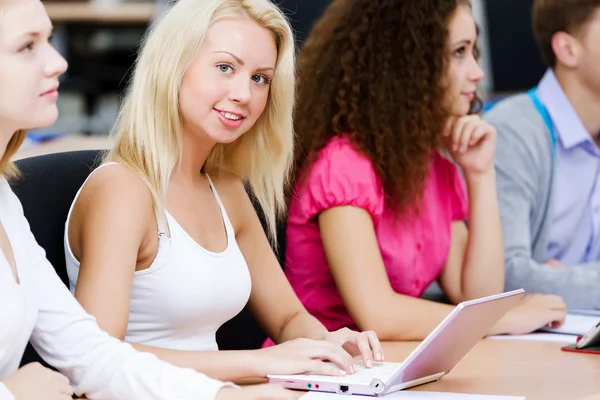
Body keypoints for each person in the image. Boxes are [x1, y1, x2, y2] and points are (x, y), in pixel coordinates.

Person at [65, 0, 382, 383]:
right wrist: (262, 362)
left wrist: (326, 344)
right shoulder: (123, 189)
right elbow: (95, 354)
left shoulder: (227, 190)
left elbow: (287, 317)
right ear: (174, 65)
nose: (244, 95)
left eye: (260, 78)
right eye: (225, 67)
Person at [0, 0, 299, 398]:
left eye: (261, 78)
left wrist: (231, 393)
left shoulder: (5, 203)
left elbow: (90, 353)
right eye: (27, 46)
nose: (59, 62)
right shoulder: (123, 189)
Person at [280, 0, 567, 342]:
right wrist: (501, 318)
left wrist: (480, 174)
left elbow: (475, 294)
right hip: (323, 375)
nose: (477, 72)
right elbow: (379, 315)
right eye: (459, 52)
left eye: (473, 51)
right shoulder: (341, 164)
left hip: (392, 370)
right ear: (408, 64)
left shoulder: (434, 166)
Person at [484, 0, 600, 309]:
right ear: (567, 49)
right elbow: (508, 277)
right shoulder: (510, 132)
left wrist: (572, 279)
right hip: (532, 345)